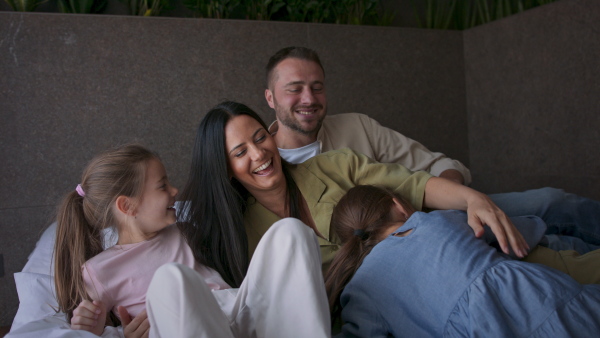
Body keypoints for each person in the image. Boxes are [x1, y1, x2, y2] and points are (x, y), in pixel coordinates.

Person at [263, 46, 600, 254]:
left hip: (440, 216)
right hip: (403, 255)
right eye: (295, 89)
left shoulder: (357, 128)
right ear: (271, 98)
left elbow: (441, 166)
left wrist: (448, 206)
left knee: (552, 201)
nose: (308, 99)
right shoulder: (262, 165)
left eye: (317, 87)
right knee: (550, 248)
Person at [183, 101, 531, 278]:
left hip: (434, 253)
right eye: (240, 152)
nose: (259, 154)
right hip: (383, 307)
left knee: (543, 242)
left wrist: (473, 198)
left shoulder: (332, 165)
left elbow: (415, 185)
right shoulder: (240, 238)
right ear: (225, 170)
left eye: (260, 137)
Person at [52, 144, 330, 338]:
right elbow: (92, 328)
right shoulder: (99, 270)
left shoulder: (184, 231)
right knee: (171, 278)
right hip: (190, 327)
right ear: (128, 206)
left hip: (235, 311)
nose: (174, 190)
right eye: (162, 186)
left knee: (291, 232)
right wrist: (97, 329)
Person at [324, 185, 600, 337]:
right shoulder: (435, 221)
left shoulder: (362, 289)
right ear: (398, 205)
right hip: (542, 303)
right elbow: (522, 232)